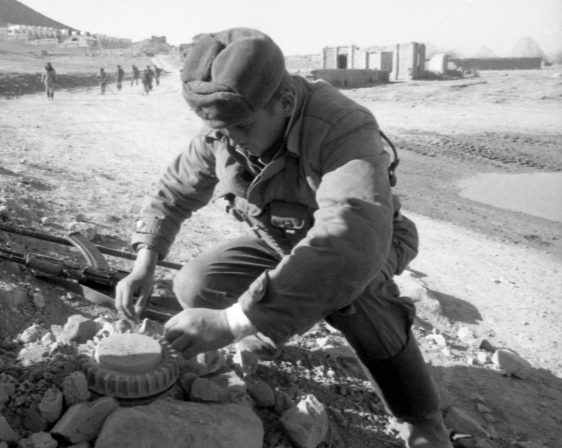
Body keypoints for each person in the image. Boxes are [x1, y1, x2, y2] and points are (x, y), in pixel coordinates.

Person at [115, 28, 451, 448]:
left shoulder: (343, 125)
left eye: (241, 126)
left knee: (352, 292)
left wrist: (230, 320)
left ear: (285, 103)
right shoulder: (226, 126)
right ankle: (263, 330)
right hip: (283, 240)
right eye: (217, 128)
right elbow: (175, 191)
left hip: (370, 241)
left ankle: (422, 418)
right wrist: (144, 261)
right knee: (195, 283)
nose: (229, 138)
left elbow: (351, 238)